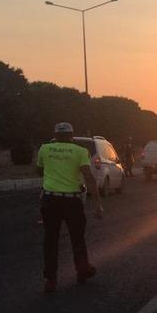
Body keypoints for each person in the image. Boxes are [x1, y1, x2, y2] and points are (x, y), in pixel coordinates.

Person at [36, 122, 104, 293]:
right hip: (72, 201)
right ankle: (82, 271)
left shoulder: (44, 149)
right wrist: (98, 205)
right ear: (72, 136)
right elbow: (89, 178)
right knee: (77, 239)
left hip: (50, 200)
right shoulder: (80, 151)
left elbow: (39, 170)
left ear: (55, 135)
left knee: (50, 241)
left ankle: (50, 280)